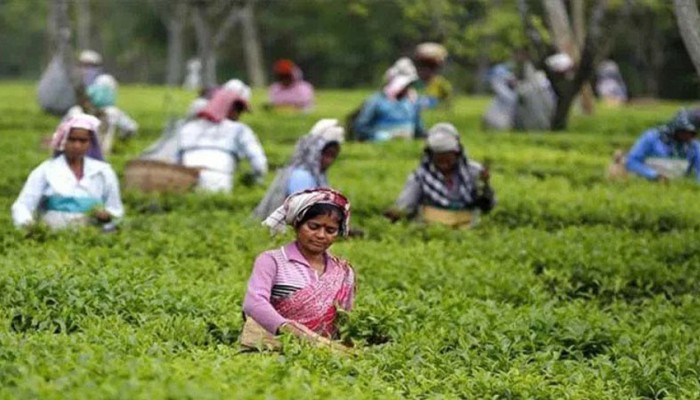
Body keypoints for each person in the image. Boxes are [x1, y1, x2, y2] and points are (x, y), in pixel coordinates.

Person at [241, 188, 355, 352]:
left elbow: (346, 320)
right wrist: (292, 330)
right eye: (313, 226)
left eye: (330, 230)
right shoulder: (272, 261)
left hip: (325, 355)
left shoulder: (343, 271)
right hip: (273, 351)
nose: (321, 235)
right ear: (297, 224)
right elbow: (254, 303)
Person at [12, 114, 123, 231]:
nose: (77, 145)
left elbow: (115, 209)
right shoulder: (46, 170)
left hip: (94, 237)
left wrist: (106, 215)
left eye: (83, 141)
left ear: (90, 143)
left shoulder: (103, 172)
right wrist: (29, 226)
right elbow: (22, 205)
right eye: (72, 139)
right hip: (54, 237)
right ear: (63, 141)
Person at [384, 123, 495, 228]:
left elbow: (488, 206)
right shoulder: (420, 176)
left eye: (447, 156)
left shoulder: (474, 172)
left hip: (467, 228)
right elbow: (407, 204)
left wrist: (485, 187)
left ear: (457, 153)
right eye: (438, 156)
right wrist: (396, 213)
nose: (443, 161)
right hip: (431, 230)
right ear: (430, 155)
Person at [177, 81, 268, 193]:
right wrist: (255, 181)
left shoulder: (187, 128)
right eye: (237, 110)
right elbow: (259, 163)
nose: (238, 115)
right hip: (220, 187)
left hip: (188, 186)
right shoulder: (240, 130)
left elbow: (175, 162)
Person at [253, 119, 344, 220]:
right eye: (326, 154)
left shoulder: (318, 175)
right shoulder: (301, 176)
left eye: (333, 156)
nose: (329, 161)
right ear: (314, 151)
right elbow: (304, 212)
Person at [65, 74, 139, 156]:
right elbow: (131, 128)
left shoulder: (75, 110)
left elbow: (61, 131)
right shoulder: (113, 112)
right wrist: (121, 140)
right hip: (101, 155)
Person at [625, 109, 700, 182]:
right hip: (647, 183)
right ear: (676, 128)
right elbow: (632, 161)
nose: (688, 136)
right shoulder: (652, 137)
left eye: (692, 133)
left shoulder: (694, 146)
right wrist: (653, 175)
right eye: (684, 132)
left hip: (677, 186)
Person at [352, 72, 425, 141]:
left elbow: (418, 130)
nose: (408, 89)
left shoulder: (411, 103)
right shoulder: (375, 101)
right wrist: (382, 136)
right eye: (405, 86)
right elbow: (360, 128)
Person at [413, 42, 452, 109]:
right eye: (423, 65)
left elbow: (447, 104)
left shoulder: (441, 84)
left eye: (431, 66)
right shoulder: (413, 83)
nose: (426, 69)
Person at [482, 63, 518, 131]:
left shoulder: (510, 95)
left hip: (501, 122)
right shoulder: (505, 92)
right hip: (496, 121)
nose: (513, 82)